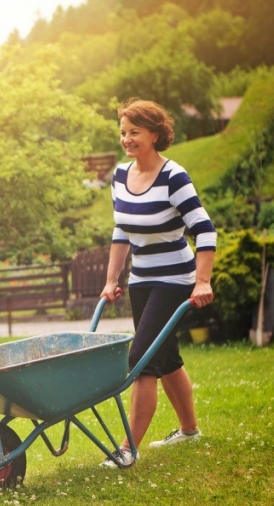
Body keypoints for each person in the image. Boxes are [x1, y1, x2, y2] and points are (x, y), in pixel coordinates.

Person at [99, 98, 216, 468]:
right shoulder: (120, 175)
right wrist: (110, 280)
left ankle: (126, 448)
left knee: (142, 359)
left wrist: (202, 281)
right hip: (142, 280)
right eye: (122, 132)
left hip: (175, 278)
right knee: (165, 357)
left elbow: (205, 230)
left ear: (154, 134)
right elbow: (121, 230)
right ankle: (189, 430)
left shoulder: (173, 176)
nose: (127, 139)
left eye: (134, 132)